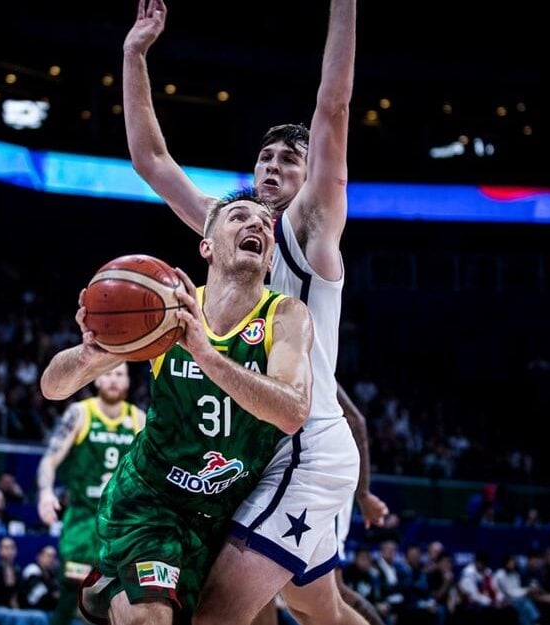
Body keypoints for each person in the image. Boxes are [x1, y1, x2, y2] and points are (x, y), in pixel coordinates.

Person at [122, 1, 386, 623]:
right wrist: (134, 55)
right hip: (259, 446)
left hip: (304, 446)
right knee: (322, 608)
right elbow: (152, 162)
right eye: (266, 159)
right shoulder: (233, 222)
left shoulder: (313, 228)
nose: (272, 167)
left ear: (309, 177)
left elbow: (333, 107)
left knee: (219, 610)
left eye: (288, 161)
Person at [42, 191, 315, 624]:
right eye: (239, 217)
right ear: (207, 247)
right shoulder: (167, 312)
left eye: (265, 223)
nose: (257, 225)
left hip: (227, 516)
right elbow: (53, 386)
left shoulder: (286, 315)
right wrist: (91, 354)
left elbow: (293, 410)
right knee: (149, 618)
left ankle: (111, 584)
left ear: (270, 259)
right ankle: (126, 584)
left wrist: (206, 354)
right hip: (152, 502)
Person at [37, 361, 145, 625]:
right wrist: (45, 493)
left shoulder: (138, 419)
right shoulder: (80, 413)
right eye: (108, 374)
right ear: (96, 380)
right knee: (71, 591)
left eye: (120, 374)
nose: (113, 380)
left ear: (128, 383)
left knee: (116, 599)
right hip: (83, 520)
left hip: (120, 525)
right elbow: (49, 459)